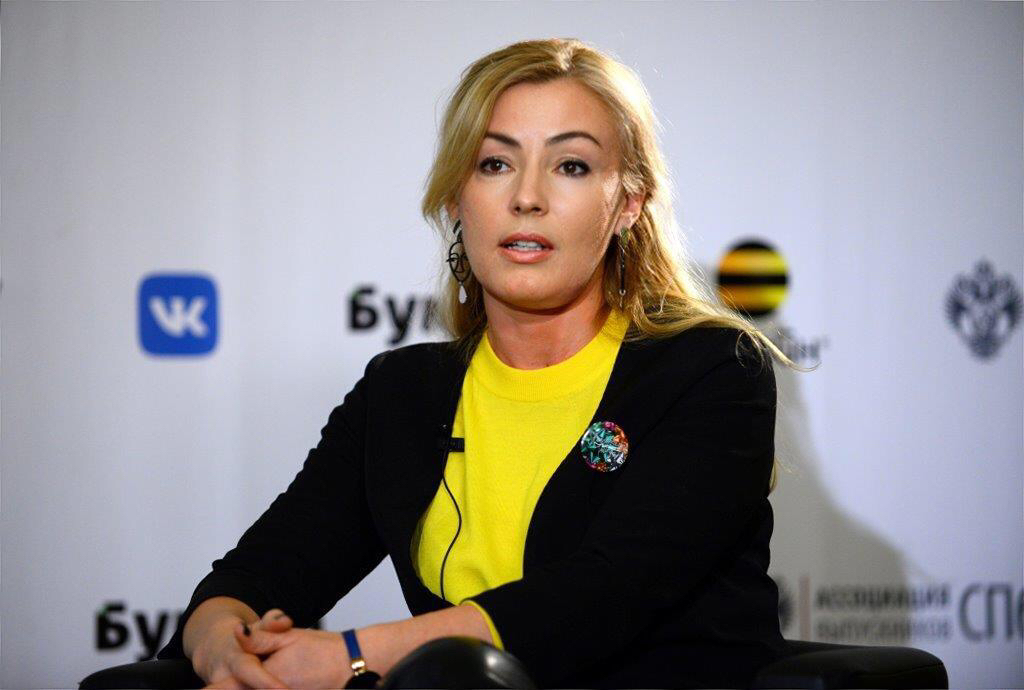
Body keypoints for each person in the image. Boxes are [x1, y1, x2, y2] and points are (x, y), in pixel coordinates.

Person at [156, 37, 799, 689]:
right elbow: (262, 571)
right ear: (456, 199)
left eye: (570, 165)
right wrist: (222, 644)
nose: (527, 197)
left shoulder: (711, 370)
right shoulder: (400, 392)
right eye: (495, 163)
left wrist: (349, 654)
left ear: (628, 203)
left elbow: (602, 595)